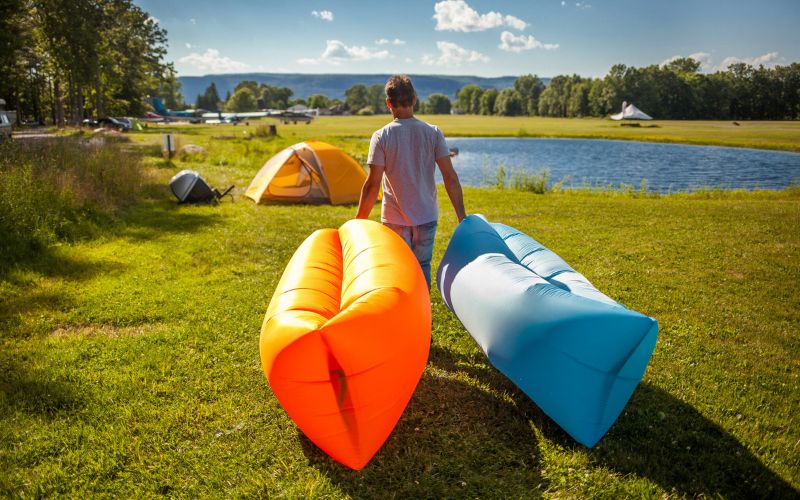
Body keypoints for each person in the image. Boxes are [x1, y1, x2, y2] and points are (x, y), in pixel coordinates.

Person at [356, 75, 467, 289]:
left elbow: (372, 184)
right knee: (422, 266)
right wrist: (462, 216)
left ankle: (400, 317)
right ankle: (422, 315)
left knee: (397, 269)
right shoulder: (433, 132)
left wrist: (358, 220)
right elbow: (450, 177)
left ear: (389, 103)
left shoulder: (381, 136)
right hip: (426, 215)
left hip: (394, 217)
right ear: (414, 99)